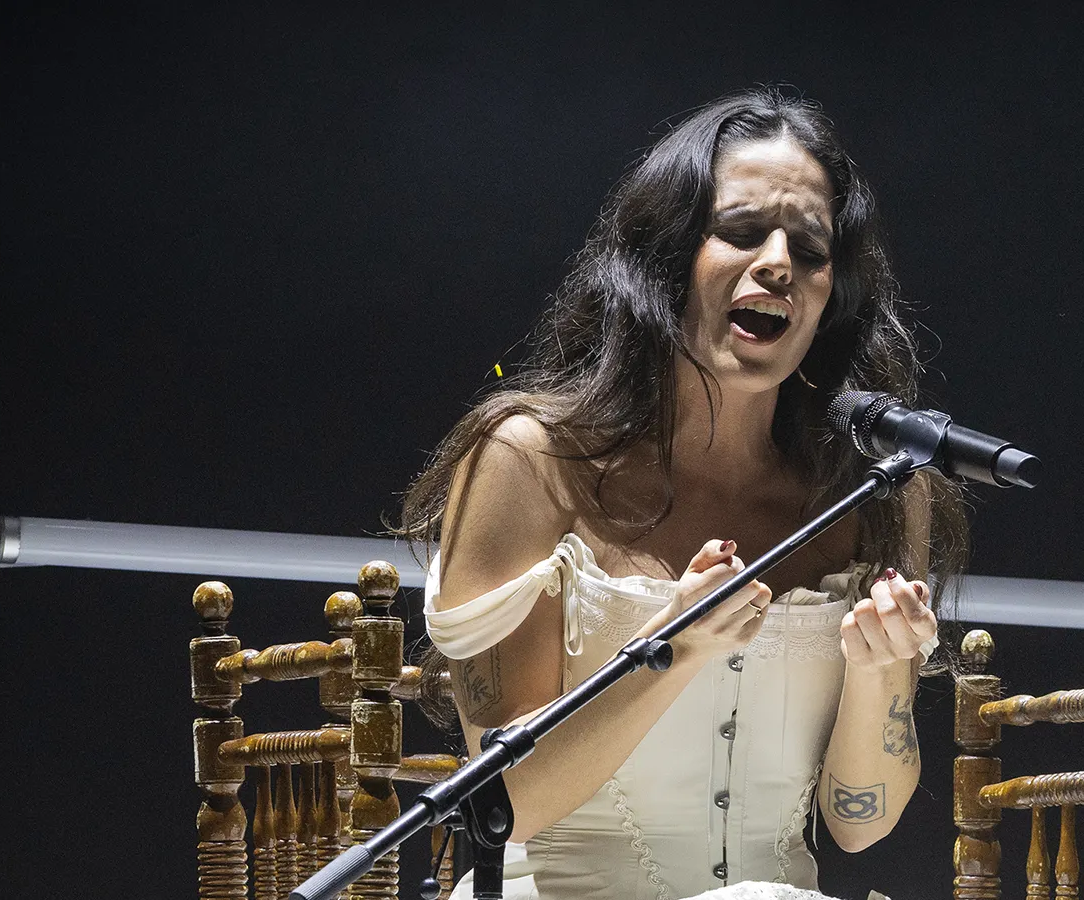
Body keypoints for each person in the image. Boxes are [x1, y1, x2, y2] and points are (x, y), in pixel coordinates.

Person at [398, 87, 969, 900]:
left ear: (829, 298)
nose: (777, 263)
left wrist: (878, 674)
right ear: (667, 256)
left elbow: (859, 823)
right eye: (740, 232)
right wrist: (671, 652)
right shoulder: (530, 461)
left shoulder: (875, 493)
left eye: (809, 250)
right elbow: (501, 805)